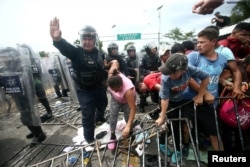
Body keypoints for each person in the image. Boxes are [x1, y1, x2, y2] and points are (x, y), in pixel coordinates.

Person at [50, 17, 108, 144]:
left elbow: (105, 67)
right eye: (84, 39)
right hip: (84, 90)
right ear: (81, 40)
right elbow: (66, 48)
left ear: (94, 40)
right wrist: (57, 40)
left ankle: (99, 118)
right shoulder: (76, 52)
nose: (87, 42)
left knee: (103, 104)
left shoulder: (100, 54)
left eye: (90, 39)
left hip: (99, 87)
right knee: (88, 114)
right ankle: (89, 139)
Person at [186, 27, 244, 152]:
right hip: (193, 101)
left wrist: (235, 86)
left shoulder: (223, 59)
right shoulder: (194, 57)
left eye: (202, 42)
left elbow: (235, 70)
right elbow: (188, 78)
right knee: (197, 131)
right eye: (198, 42)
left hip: (213, 102)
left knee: (215, 133)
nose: (198, 45)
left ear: (213, 42)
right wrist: (205, 94)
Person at [156, 53, 210, 163]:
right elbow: (165, 99)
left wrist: (200, 95)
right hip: (168, 102)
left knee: (185, 125)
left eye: (173, 72)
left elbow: (206, 77)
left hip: (183, 100)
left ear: (183, 70)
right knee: (172, 126)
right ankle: (169, 146)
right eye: (169, 72)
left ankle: (183, 146)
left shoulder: (190, 69)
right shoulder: (166, 78)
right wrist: (162, 115)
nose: (170, 75)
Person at [0, 46, 46, 148]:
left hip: (25, 95)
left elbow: (28, 81)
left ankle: (39, 134)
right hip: (17, 95)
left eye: (5, 57)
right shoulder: (6, 68)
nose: (3, 60)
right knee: (25, 115)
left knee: (27, 115)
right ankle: (35, 132)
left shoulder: (20, 66)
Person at [107, 60, 136, 150]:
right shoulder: (111, 75)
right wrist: (107, 64)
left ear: (121, 85)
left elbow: (133, 109)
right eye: (113, 90)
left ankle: (130, 133)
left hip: (127, 100)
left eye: (117, 90)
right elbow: (114, 61)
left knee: (128, 118)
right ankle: (112, 135)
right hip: (116, 99)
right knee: (113, 114)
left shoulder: (128, 90)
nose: (115, 91)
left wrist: (127, 127)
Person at [139, 41, 161, 112]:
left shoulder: (157, 57)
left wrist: (158, 71)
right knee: (144, 92)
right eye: (152, 49)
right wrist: (149, 72)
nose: (154, 50)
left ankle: (160, 106)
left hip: (156, 76)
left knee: (158, 92)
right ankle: (141, 106)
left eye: (155, 48)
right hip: (146, 76)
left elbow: (160, 66)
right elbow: (141, 68)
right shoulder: (144, 57)